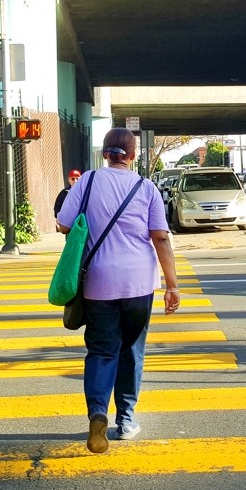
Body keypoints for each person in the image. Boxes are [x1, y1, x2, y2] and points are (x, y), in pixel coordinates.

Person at [55, 128, 180, 454]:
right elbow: (161, 237)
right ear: (133, 155)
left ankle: (98, 412)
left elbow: (64, 224)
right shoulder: (146, 187)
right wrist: (172, 285)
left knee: (101, 351)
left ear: (105, 153)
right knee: (132, 349)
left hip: (97, 285)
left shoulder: (87, 182)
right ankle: (126, 421)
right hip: (138, 284)